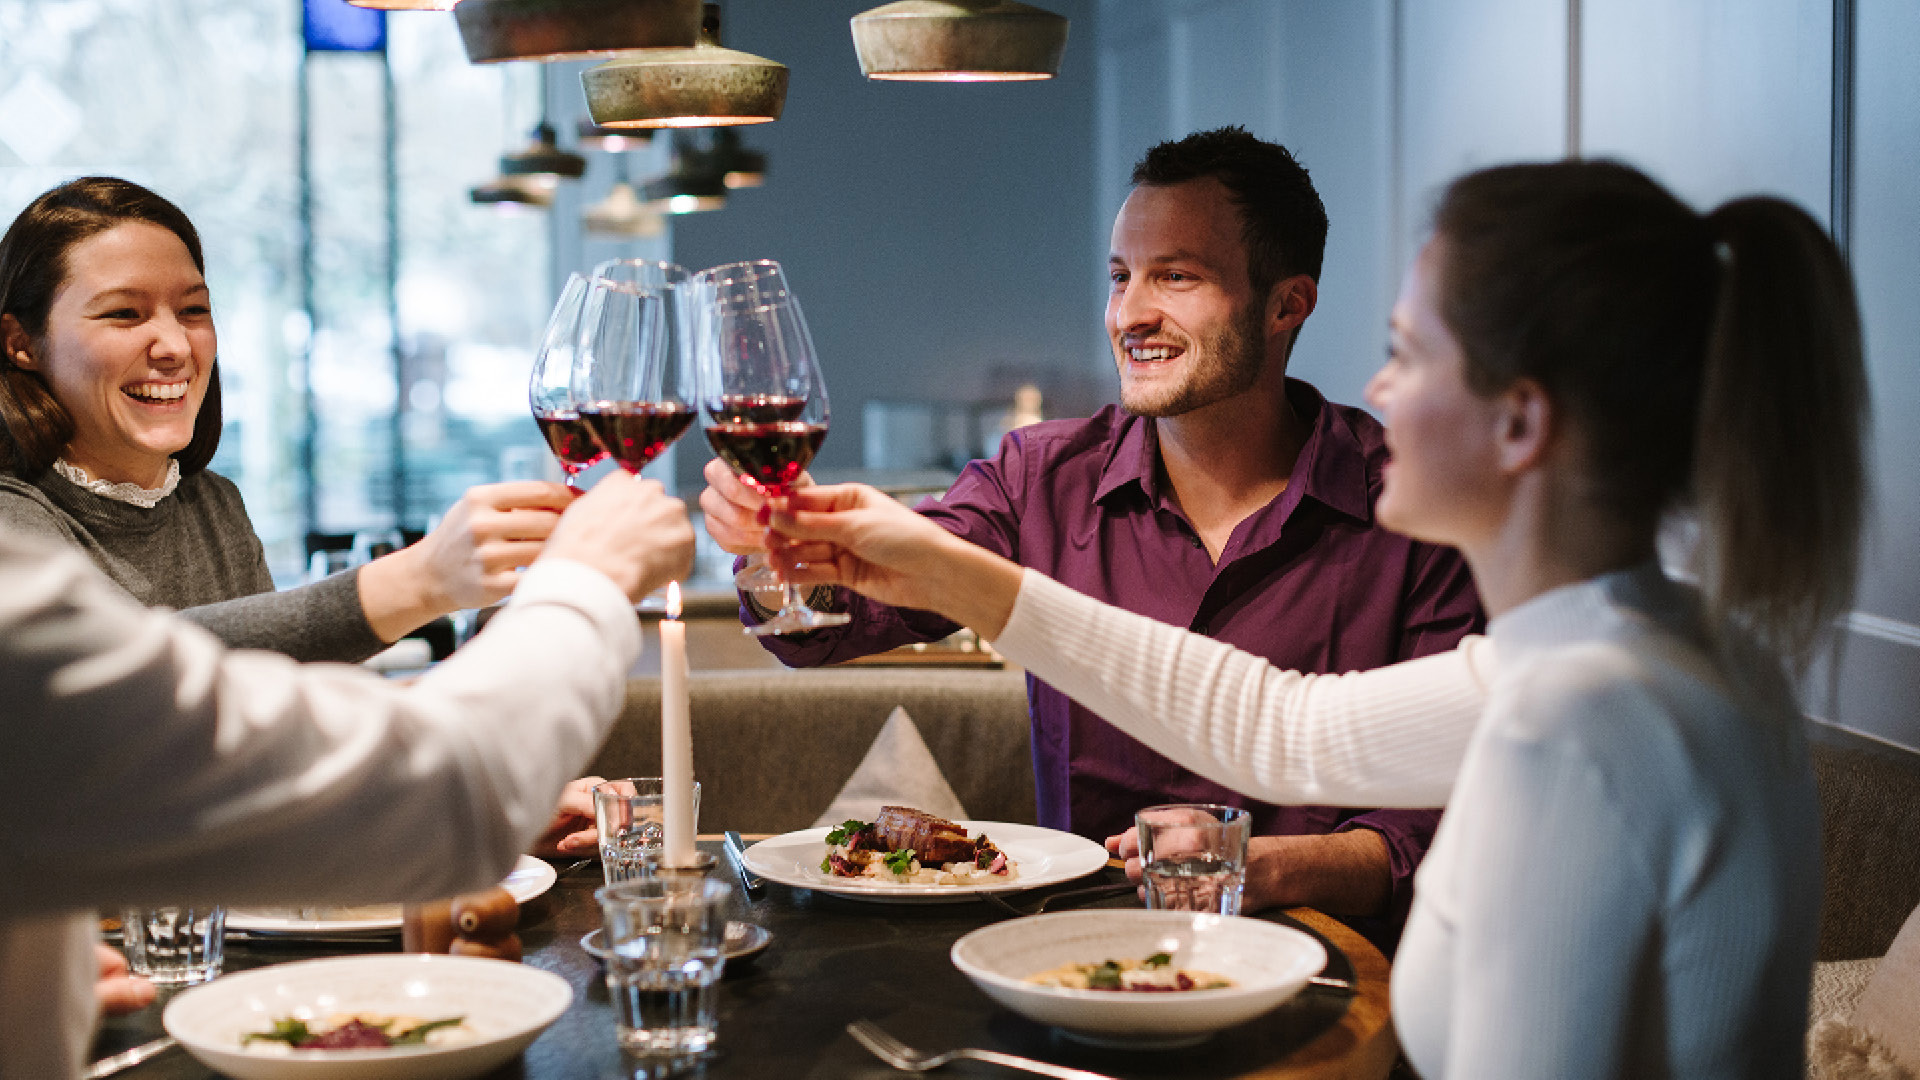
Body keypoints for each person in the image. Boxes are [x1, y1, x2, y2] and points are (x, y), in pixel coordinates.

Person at [762, 158, 1866, 1078]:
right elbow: (1278, 728)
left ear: (1521, 421)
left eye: (1411, 352)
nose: (1378, 391)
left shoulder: (1580, 727)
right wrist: (947, 572)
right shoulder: (1646, 652)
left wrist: (962, 582)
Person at [703, 128, 1481, 947]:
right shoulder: (1039, 477)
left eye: (1177, 276)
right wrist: (774, 552)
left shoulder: (1413, 506)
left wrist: (1263, 867)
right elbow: (829, 624)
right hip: (1079, 967)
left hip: (1326, 974)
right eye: (1120, 277)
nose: (1131, 314)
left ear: (1288, 303)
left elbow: (1429, 834)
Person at [1, 468, 695, 1080]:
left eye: (194, 312)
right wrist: (587, 579)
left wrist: (36, 973)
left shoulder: (209, 502)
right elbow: (442, 788)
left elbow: (227, 784)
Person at [0, 176, 574, 665]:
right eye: (125, 313)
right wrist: (418, 580)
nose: (175, 344)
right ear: (21, 342)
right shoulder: (13, 523)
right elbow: (121, 676)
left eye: (194, 310)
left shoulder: (212, 505)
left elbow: (270, 731)